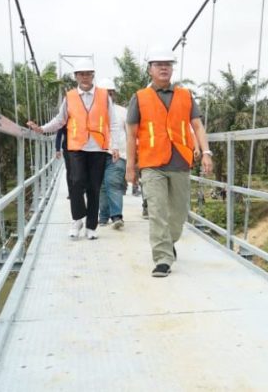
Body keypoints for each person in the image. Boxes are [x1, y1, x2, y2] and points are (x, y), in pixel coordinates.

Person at [125, 48, 213, 278]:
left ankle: (169, 241)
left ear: (172, 68)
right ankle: (163, 258)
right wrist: (130, 166)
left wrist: (206, 152)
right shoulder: (139, 97)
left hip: (180, 161)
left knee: (179, 214)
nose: (164, 68)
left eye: (168, 64)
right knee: (157, 211)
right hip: (151, 163)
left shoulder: (185, 95)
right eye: (158, 64)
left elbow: (197, 126)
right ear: (150, 69)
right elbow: (131, 133)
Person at [27, 66, 120, 240]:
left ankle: (91, 227)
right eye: (80, 74)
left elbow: (113, 123)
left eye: (88, 74)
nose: (84, 77)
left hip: (98, 147)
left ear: (93, 75)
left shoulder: (103, 96)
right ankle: (77, 218)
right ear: (76, 76)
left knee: (94, 187)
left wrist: (114, 146)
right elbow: (60, 120)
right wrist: (42, 129)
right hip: (76, 147)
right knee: (76, 183)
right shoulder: (69, 96)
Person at [96, 78, 128, 230]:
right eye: (104, 93)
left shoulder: (123, 112)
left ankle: (117, 216)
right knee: (102, 186)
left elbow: (131, 134)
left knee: (113, 183)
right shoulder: (92, 112)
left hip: (119, 154)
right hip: (98, 154)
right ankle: (103, 217)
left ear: (114, 94)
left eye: (110, 93)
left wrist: (134, 159)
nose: (107, 96)